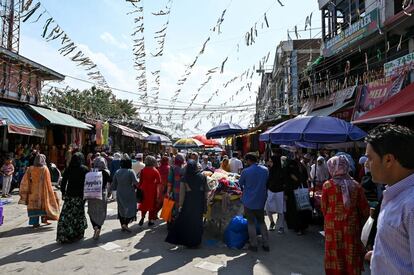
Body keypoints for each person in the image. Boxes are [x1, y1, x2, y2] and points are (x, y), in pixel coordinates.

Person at [364, 124, 414, 274]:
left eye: (370, 158)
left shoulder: (410, 205)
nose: (366, 164)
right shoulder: (394, 195)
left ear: (388, 160)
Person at [321, 155, 369, 275]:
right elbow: (365, 210)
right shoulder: (356, 185)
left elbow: (323, 208)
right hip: (351, 227)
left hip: (332, 227)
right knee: (350, 255)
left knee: (335, 254)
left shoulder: (327, 185)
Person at [165, 159, 208, 248]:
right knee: (197, 222)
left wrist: (180, 205)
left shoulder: (184, 178)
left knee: (188, 222)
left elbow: (182, 194)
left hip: (188, 202)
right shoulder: (202, 177)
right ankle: (196, 242)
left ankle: (188, 242)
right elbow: (206, 191)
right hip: (199, 202)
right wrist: (205, 203)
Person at [239, 153, 269, 252]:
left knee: (251, 223)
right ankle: (266, 243)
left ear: (248, 160)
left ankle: (254, 244)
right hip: (261, 200)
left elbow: (240, 184)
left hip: (249, 201)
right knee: (262, 221)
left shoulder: (245, 171)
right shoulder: (265, 170)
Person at [19, 154, 60, 228]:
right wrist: (50, 191)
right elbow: (48, 182)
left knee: (33, 206)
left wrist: (26, 190)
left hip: (33, 191)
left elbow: (25, 180)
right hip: (43, 191)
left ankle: (35, 223)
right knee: (44, 206)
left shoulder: (30, 168)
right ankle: (44, 219)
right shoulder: (45, 169)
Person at [56, 153, 89, 243]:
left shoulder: (69, 169)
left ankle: (66, 234)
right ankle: (77, 233)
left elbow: (63, 182)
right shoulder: (84, 169)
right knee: (78, 214)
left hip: (70, 195)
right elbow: (89, 182)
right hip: (80, 196)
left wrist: (63, 192)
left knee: (67, 215)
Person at [284, 154, 311, 235]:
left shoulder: (292, 168)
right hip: (300, 191)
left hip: (295, 192)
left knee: (297, 210)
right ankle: (301, 227)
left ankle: (299, 228)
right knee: (301, 209)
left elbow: (287, 181)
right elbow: (305, 178)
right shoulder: (300, 167)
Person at [112, 157, 138, 232]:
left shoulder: (117, 171)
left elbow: (113, 184)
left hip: (120, 192)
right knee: (132, 208)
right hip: (130, 192)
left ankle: (123, 224)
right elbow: (136, 182)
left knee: (121, 208)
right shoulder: (131, 171)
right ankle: (125, 224)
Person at [87, 157, 111, 240]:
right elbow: (110, 182)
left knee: (91, 211)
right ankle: (99, 228)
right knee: (101, 212)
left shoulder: (91, 172)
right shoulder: (105, 172)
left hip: (91, 195)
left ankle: (95, 227)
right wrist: (110, 193)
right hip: (102, 194)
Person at [138, 156, 161, 226]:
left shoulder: (143, 170)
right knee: (152, 205)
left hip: (143, 188)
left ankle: (142, 217)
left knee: (143, 203)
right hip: (152, 189)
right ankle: (150, 220)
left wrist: (139, 188)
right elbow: (159, 181)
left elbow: (140, 181)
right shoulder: (155, 170)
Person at [265, 155, 286, 233]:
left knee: (280, 210)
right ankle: (272, 222)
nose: (269, 163)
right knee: (267, 208)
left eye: (271, 161)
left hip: (280, 192)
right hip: (270, 191)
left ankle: (281, 226)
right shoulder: (270, 170)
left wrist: (285, 193)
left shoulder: (282, 171)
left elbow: (285, 183)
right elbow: (268, 181)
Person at [167, 153, 186, 220]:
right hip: (184, 190)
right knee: (182, 204)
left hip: (175, 189)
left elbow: (170, 180)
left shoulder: (172, 167)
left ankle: (175, 218)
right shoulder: (185, 167)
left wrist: (168, 192)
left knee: (175, 204)